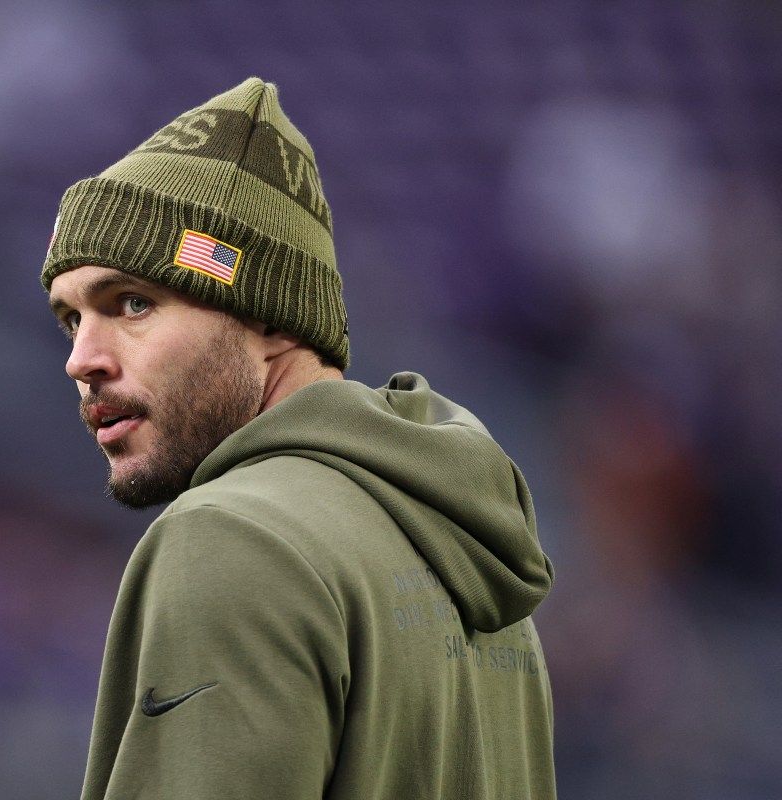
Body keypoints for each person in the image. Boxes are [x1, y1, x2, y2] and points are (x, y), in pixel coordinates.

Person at [42, 77, 556, 799]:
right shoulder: (470, 551)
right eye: (72, 319)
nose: (81, 360)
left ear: (272, 318)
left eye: (133, 303)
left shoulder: (232, 537)